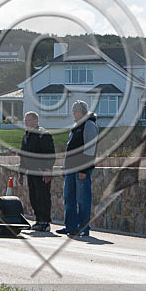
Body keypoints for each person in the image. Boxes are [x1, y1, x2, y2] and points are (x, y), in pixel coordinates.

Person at [58, 100, 98, 237]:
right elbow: (69, 149)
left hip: (81, 169)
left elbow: (90, 149)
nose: (73, 113)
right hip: (70, 168)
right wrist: (64, 167)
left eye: (75, 111)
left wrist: (84, 170)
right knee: (69, 198)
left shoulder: (89, 125)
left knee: (83, 199)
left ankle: (83, 228)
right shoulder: (75, 127)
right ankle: (70, 226)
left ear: (81, 112)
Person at [17, 111, 55, 232]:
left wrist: (48, 170)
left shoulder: (43, 134)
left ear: (35, 121)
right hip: (31, 172)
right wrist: (21, 173)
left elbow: (50, 154)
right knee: (34, 197)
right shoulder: (26, 136)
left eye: (29, 120)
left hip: (42, 171)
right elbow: (23, 156)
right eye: (25, 120)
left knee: (43, 197)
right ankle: (38, 220)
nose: (26, 123)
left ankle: (45, 222)